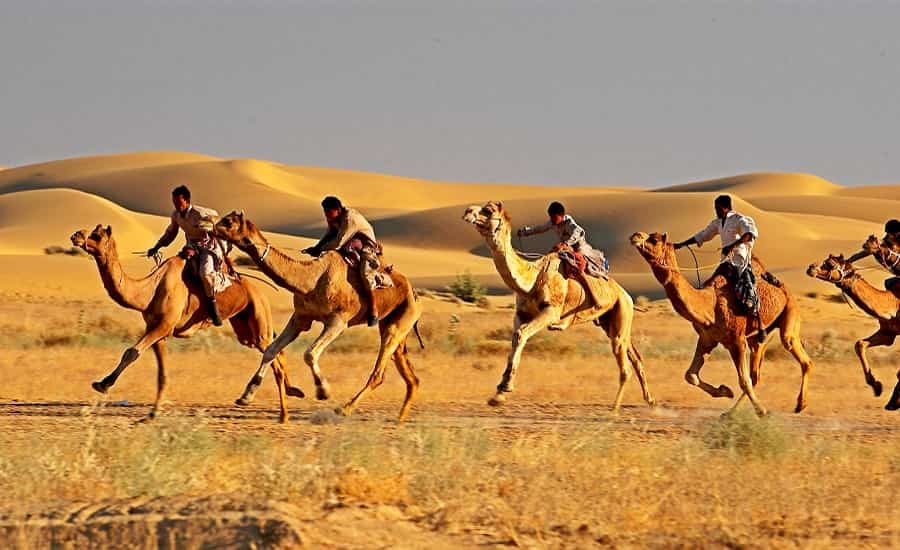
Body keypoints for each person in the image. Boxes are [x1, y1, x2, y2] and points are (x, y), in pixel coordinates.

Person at [674, 194, 776, 342]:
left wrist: (732, 246)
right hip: (725, 262)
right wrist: (681, 244)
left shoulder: (739, 219)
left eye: (717, 208)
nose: (716, 211)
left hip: (740, 260)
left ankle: (760, 324)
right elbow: (703, 235)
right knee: (710, 285)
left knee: (748, 289)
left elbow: (750, 234)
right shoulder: (717, 223)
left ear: (725, 207)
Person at [147, 185, 227, 326]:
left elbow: (216, 227)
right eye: (174, 202)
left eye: (178, 202)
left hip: (208, 247)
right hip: (190, 246)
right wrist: (157, 246)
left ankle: (213, 308)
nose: (176, 205)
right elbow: (171, 233)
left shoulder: (200, 214)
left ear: (187, 200)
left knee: (205, 274)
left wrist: (213, 250)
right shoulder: (176, 215)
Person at [302, 196, 385, 327]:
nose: (327, 216)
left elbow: (337, 242)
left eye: (329, 212)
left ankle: (373, 309)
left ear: (338, 210)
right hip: (349, 240)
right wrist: (316, 248)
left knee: (365, 272)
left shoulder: (349, 219)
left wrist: (320, 249)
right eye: (325, 213)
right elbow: (329, 234)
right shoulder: (333, 218)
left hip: (365, 243)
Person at [517, 201, 607, 307]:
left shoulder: (569, 222)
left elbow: (579, 232)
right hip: (566, 248)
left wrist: (564, 244)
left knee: (578, 268)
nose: (552, 220)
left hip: (580, 249)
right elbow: (540, 229)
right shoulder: (552, 222)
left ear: (561, 216)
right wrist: (524, 232)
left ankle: (594, 298)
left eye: (554, 218)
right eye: (551, 218)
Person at [848, 219, 900, 291]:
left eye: (889, 234)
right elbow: (864, 253)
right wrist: (849, 261)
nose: (887, 236)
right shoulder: (883, 246)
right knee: (889, 283)